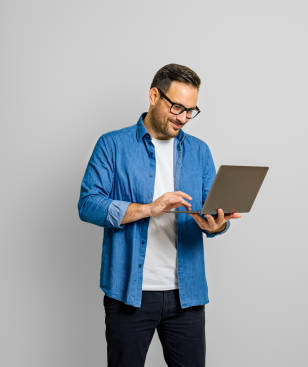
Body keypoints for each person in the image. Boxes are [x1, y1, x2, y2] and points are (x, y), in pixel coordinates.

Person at [77, 63, 241, 367]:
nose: (183, 118)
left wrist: (216, 226)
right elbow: (88, 204)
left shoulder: (199, 151)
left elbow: (209, 212)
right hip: (129, 294)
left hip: (187, 296)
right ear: (154, 96)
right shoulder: (112, 145)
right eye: (177, 106)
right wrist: (151, 208)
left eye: (190, 110)